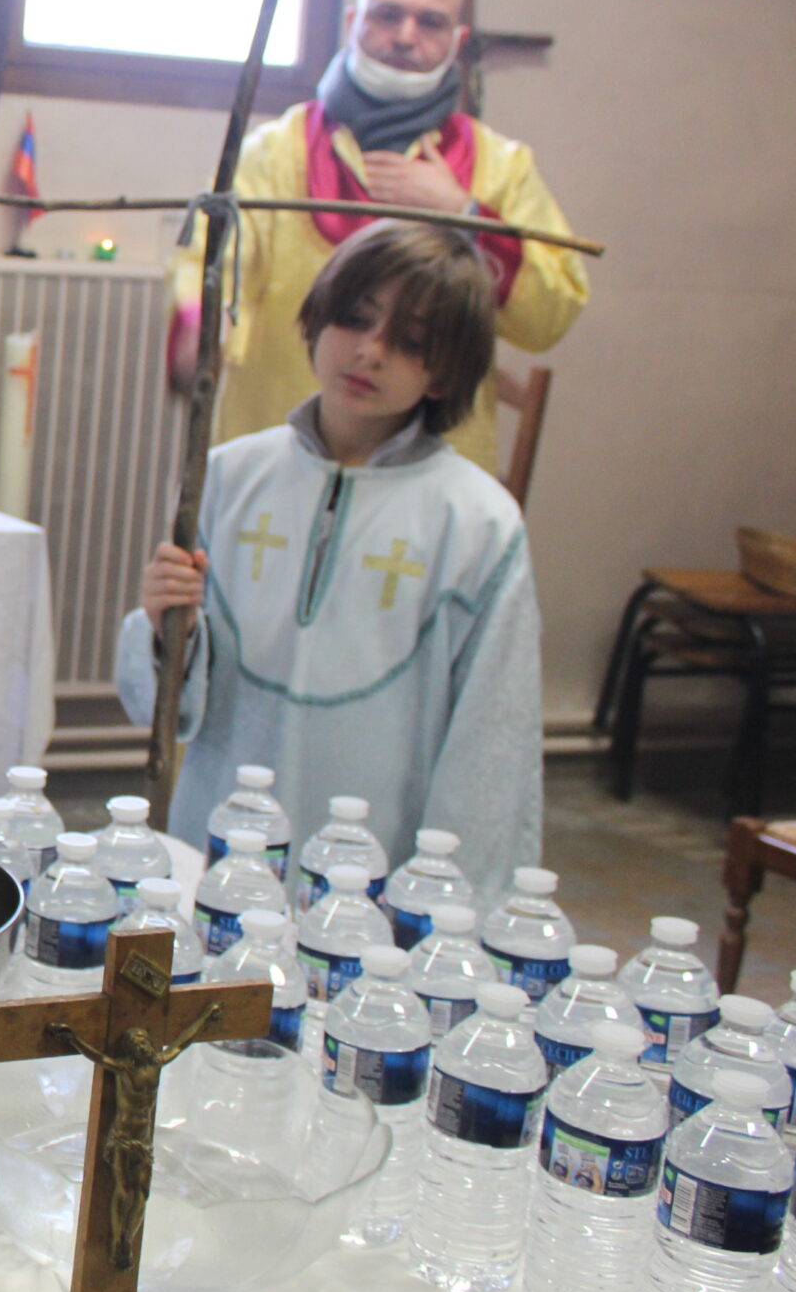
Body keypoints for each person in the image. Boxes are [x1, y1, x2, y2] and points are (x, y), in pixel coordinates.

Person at [118, 221, 543, 901]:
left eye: (410, 342)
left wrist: (449, 907)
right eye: (356, 318)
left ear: (446, 371)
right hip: (223, 830)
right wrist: (170, 624)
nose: (370, 352)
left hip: (377, 853)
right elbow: (163, 704)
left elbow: (494, 739)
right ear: (316, 319)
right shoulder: (227, 477)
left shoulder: (476, 522)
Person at [209, 0, 589, 474]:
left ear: (456, 41)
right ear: (352, 23)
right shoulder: (274, 152)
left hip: (431, 471)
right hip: (283, 454)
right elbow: (215, 273)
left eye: (430, 22)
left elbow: (550, 317)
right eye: (387, 14)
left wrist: (466, 214)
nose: (406, 36)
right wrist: (200, 327)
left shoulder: (502, 167)